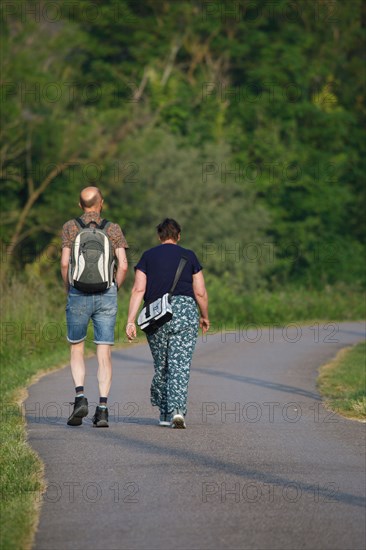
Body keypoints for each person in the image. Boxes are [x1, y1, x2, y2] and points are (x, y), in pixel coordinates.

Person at [125, 218, 209, 429]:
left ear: (159, 236)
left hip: (156, 314)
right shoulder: (189, 256)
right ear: (178, 236)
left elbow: (138, 290)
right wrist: (204, 315)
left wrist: (130, 320)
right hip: (185, 312)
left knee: (161, 365)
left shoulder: (147, 256)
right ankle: (177, 411)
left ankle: (164, 413)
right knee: (179, 365)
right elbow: (199, 291)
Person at [60, 186, 128, 427]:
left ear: (80, 206)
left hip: (78, 292)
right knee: (103, 352)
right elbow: (124, 265)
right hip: (106, 293)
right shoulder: (113, 228)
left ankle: (79, 397)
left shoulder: (70, 226)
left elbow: (65, 263)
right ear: (102, 203)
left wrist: (69, 288)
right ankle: (102, 409)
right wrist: (114, 288)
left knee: (77, 347)